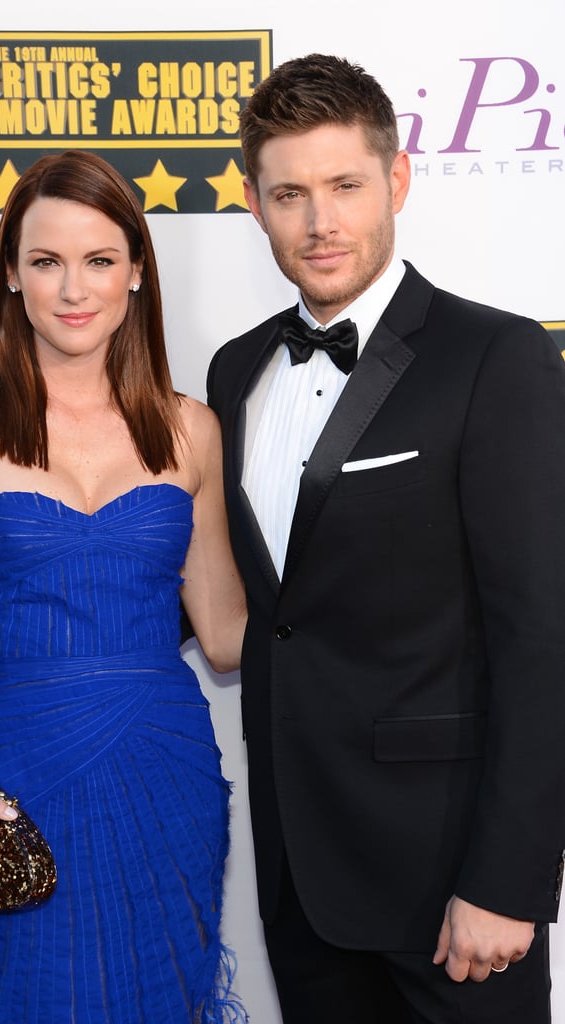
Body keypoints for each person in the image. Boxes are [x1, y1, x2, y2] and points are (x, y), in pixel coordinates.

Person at [205, 53, 565, 1023]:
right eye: (289, 193)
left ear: (396, 180)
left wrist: (511, 879)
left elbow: (541, 635)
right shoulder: (235, 371)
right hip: (297, 879)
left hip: (451, 881)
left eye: (345, 186)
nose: (320, 222)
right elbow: (257, 600)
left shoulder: (496, 356)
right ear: (254, 201)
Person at [0, 150, 248, 1024]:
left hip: (167, 766)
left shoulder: (189, 426)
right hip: (18, 776)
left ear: (135, 274)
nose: (72, 288)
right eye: (45, 261)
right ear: (12, 274)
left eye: (99, 260)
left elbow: (229, 630)